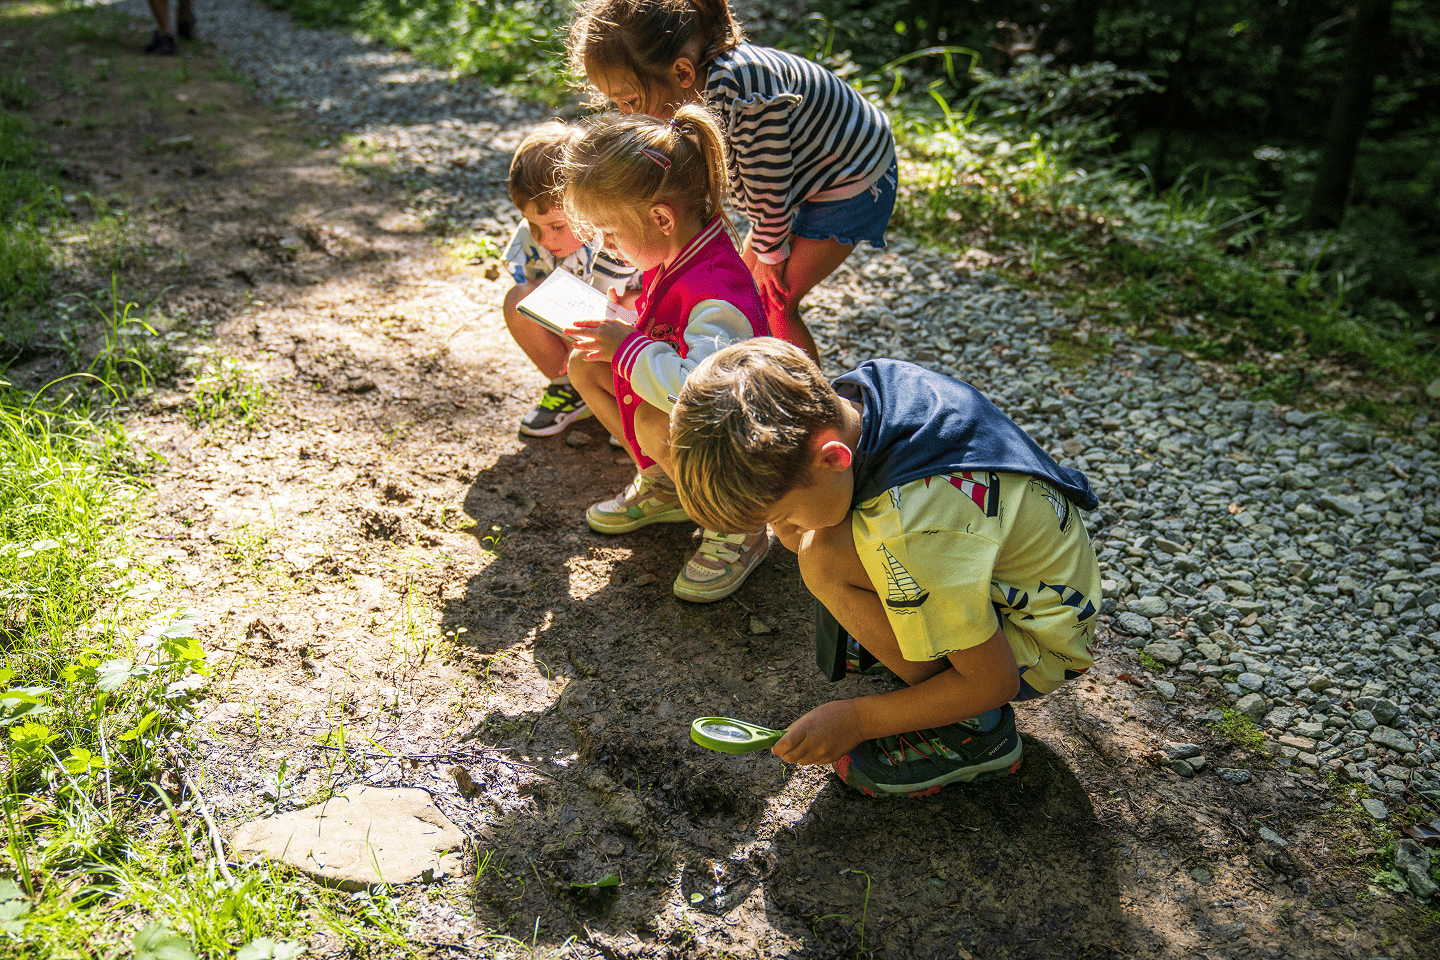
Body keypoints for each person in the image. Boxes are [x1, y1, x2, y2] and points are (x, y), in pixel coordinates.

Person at [669, 339, 1102, 797]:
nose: (782, 532)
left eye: (782, 515)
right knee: (826, 541)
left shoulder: (910, 526)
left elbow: (994, 681)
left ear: (833, 457)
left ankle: (976, 731)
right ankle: (933, 664)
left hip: (1037, 644)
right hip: (1030, 579)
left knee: (822, 559)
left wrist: (860, 717)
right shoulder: (863, 397)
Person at [568, 0, 897, 362]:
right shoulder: (697, 86)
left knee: (777, 298)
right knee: (749, 288)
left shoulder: (744, 91)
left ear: (682, 73)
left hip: (853, 175)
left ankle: (812, 408)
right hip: (802, 172)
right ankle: (757, 380)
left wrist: (771, 254)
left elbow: (768, 186)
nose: (627, 114)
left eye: (630, 101)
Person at [560, 105, 772, 603]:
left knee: (659, 421)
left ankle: (739, 527)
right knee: (584, 365)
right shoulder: (682, 246)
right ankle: (670, 484)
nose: (607, 246)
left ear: (660, 217)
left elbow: (703, 386)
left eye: (610, 232)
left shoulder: (718, 289)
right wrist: (626, 328)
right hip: (701, 421)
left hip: (739, 443)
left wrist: (629, 344)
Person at [502, 121, 642, 437]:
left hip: (621, 340)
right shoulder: (532, 239)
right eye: (532, 224)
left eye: (557, 227)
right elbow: (539, 297)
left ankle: (628, 400)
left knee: (633, 302)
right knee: (518, 299)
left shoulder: (613, 238)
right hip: (572, 337)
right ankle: (571, 390)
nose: (543, 238)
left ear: (586, 207)